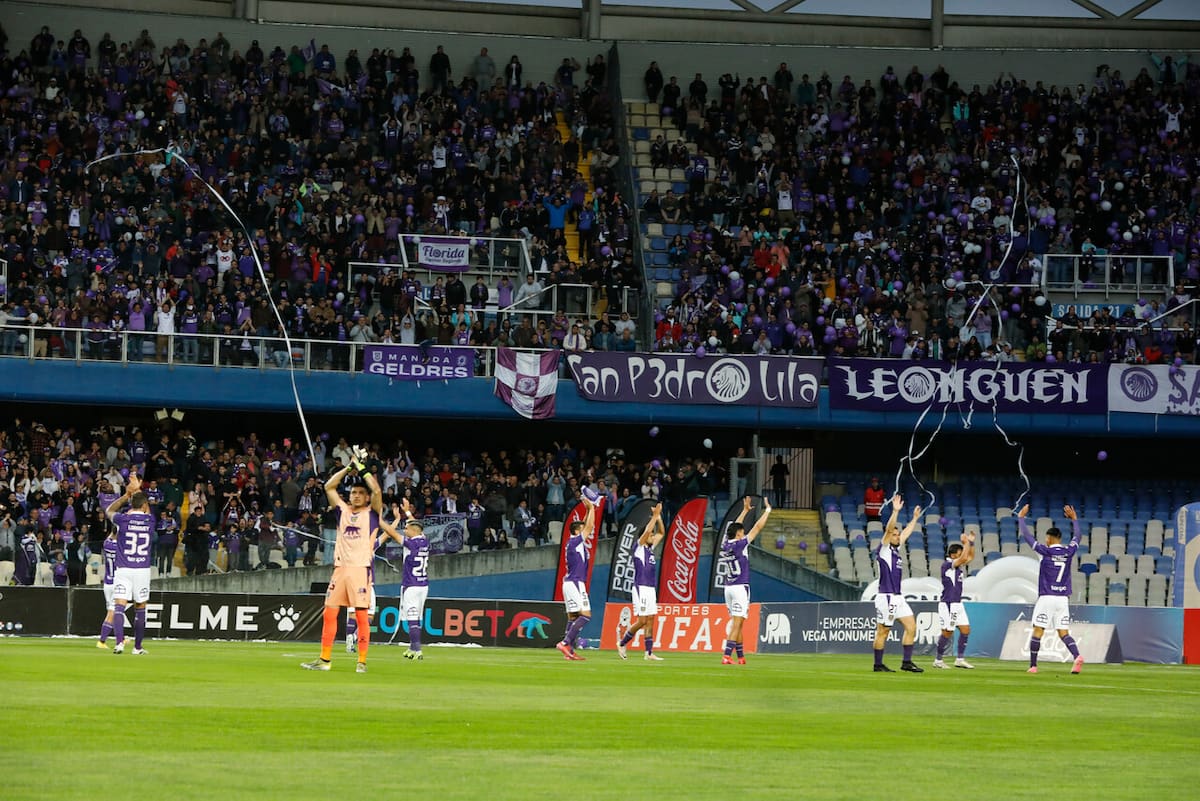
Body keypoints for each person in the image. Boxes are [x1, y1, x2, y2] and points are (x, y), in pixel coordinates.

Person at [302, 447, 381, 673]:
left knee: (361, 616)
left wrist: (362, 469)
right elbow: (329, 486)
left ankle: (361, 662)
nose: (356, 496)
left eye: (360, 493)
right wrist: (348, 467)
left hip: (359, 569)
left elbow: (376, 490)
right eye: (353, 492)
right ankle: (324, 660)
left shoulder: (372, 514)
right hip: (340, 569)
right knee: (329, 613)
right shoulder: (343, 511)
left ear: (366, 498)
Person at [1018, 504, 1084, 674]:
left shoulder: (1044, 551)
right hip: (1062, 599)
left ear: (1048, 538)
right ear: (1060, 538)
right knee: (1063, 632)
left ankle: (1033, 666)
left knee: (1038, 629)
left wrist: (1021, 518)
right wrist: (1074, 519)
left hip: (1047, 597)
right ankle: (1077, 656)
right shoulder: (1069, 551)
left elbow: (1027, 536)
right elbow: (1078, 536)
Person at [872, 495, 924, 673]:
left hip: (898, 597)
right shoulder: (884, 549)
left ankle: (906, 662)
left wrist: (915, 518)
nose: (897, 536)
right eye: (895, 535)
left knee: (911, 626)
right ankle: (878, 665)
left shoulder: (895, 550)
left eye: (897, 535)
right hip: (886, 596)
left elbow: (906, 532)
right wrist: (895, 511)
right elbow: (888, 530)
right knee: (883, 631)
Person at [105, 473, 155, 655]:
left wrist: (126, 495)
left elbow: (109, 510)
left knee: (119, 606)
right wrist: (138, 489)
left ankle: (119, 643)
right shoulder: (150, 520)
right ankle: (137, 647)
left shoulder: (122, 520)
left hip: (123, 569)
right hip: (142, 570)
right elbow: (146, 507)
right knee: (140, 607)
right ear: (144, 505)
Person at [720, 496, 772, 664]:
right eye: (742, 531)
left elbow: (734, 527)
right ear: (739, 534)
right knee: (737, 623)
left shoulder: (726, 544)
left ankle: (741, 657)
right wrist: (768, 511)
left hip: (728, 588)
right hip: (740, 587)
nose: (743, 532)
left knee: (738, 623)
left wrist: (744, 511)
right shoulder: (740, 544)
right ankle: (726, 656)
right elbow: (757, 527)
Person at [383, 499, 430, 661]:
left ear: (413, 531)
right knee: (416, 617)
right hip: (423, 585)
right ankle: (412, 647)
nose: (405, 530)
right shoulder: (424, 540)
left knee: (412, 618)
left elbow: (392, 533)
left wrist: (380, 520)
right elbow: (415, 525)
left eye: (407, 528)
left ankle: (417, 649)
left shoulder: (410, 544)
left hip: (411, 585)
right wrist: (407, 512)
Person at [617, 503, 665, 661]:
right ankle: (622, 643)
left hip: (650, 588)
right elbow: (648, 531)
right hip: (641, 587)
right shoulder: (638, 547)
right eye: (650, 535)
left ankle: (649, 653)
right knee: (642, 620)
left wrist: (659, 518)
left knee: (650, 619)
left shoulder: (650, 549)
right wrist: (654, 516)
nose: (652, 536)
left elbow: (662, 533)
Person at [556, 494, 598, 661]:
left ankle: (570, 652)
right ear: (576, 531)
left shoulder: (574, 542)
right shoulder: (575, 542)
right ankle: (565, 643)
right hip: (575, 583)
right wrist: (592, 507)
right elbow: (590, 526)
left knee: (573, 617)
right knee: (586, 615)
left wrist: (587, 510)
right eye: (582, 527)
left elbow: (586, 524)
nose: (585, 529)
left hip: (569, 582)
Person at [932, 532, 975, 669]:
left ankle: (960, 659)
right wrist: (966, 543)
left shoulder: (958, 566)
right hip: (948, 603)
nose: (963, 555)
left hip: (957, 603)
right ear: (953, 555)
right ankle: (938, 660)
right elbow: (965, 558)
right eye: (960, 553)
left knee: (965, 629)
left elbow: (970, 556)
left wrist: (971, 543)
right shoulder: (947, 565)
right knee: (947, 632)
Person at [96, 530, 118, 648]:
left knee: (115, 612)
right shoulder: (121, 547)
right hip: (116, 583)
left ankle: (120, 638)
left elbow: (111, 535)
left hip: (107, 582)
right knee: (112, 612)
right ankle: (102, 641)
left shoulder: (106, 544)